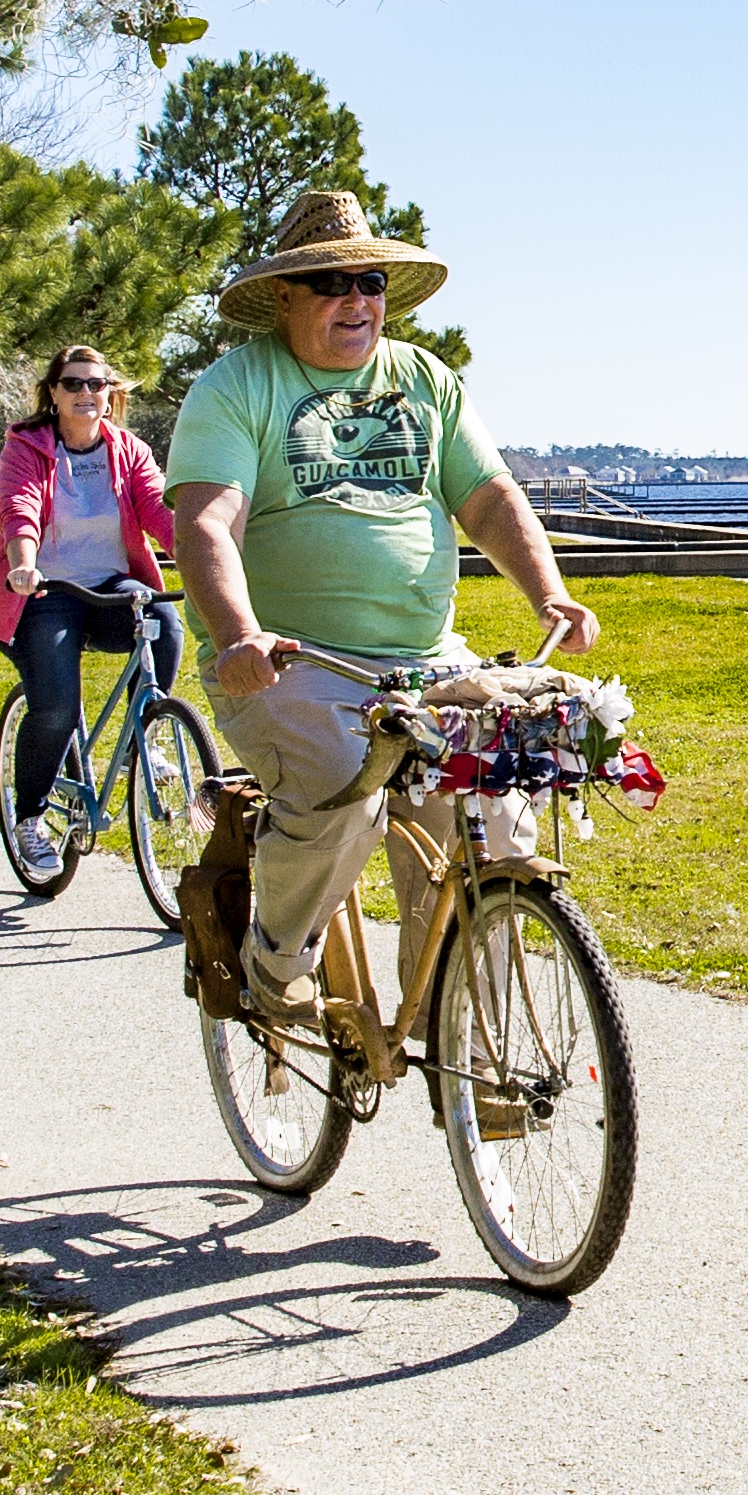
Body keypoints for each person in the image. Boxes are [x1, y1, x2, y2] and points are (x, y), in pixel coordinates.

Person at [163, 191, 597, 1049]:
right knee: (341, 792)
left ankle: (463, 1045)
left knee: (493, 808)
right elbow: (206, 522)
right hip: (292, 664)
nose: (356, 298)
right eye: (329, 282)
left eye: (370, 280)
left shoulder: (425, 380)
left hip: (423, 660)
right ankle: (276, 959)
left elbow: (486, 497)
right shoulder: (238, 385)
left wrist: (549, 592)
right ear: (284, 296)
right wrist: (240, 635)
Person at [0, 343, 171, 886]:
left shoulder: (128, 448)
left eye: (97, 383)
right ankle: (31, 818)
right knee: (57, 708)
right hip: (45, 590)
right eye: (74, 384)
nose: (87, 393)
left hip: (112, 586)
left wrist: (205, 554)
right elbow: (18, 510)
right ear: (54, 394)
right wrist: (23, 564)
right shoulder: (28, 447)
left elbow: (156, 508)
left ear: (111, 393)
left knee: (165, 627)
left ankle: (145, 746)